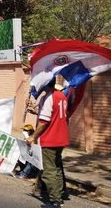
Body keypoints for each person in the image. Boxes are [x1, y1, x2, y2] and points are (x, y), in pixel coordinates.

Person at [27, 77, 69, 207]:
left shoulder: (49, 97)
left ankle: (55, 201)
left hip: (51, 138)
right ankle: (60, 194)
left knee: (49, 171)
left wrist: (33, 136)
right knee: (56, 168)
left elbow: (44, 122)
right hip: (61, 138)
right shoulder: (61, 96)